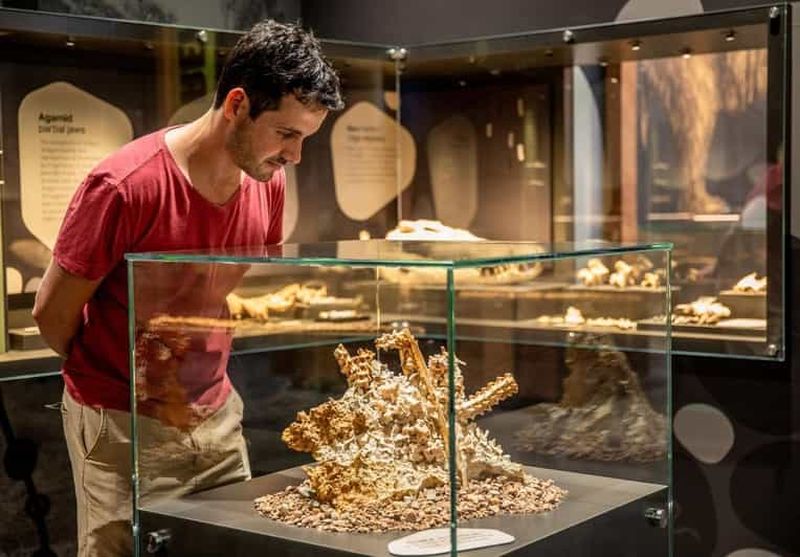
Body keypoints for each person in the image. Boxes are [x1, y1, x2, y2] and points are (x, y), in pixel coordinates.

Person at [32, 20, 343, 557]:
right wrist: (119, 377)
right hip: (124, 424)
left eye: (304, 139)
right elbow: (52, 316)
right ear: (237, 104)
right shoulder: (124, 187)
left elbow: (218, 289)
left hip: (218, 415)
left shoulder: (266, 184)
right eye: (287, 134)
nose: (295, 157)